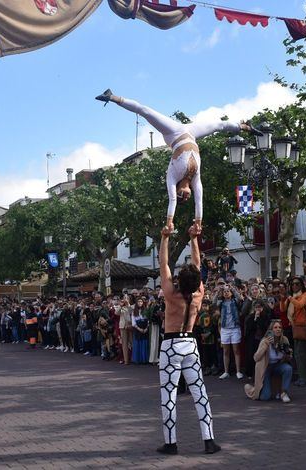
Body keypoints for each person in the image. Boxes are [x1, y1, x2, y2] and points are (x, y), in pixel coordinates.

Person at [97, 90, 259, 233]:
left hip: (174, 133)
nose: (188, 197)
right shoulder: (195, 179)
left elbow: (172, 200)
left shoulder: (173, 176)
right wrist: (198, 223)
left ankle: (112, 97)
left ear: (180, 194)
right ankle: (246, 127)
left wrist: (169, 222)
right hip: (191, 133)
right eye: (188, 198)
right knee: (219, 125)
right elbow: (199, 201)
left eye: (185, 198)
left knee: (145, 111)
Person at [156, 223, 220, 455]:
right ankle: (209, 440)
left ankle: (171, 443)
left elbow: (163, 264)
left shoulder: (171, 295)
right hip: (191, 343)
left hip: (171, 343)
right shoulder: (199, 294)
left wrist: (165, 238)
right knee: (199, 393)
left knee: (169, 395)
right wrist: (194, 239)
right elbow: (197, 264)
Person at [244, 320, 293, 402]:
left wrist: (288, 354)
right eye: (275, 327)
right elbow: (256, 358)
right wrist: (266, 345)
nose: (278, 329)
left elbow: (288, 358)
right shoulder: (265, 341)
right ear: (271, 330)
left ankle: (284, 393)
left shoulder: (284, 340)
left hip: (277, 366)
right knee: (265, 397)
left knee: (288, 368)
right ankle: (252, 389)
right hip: (266, 368)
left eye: (280, 327)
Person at [280, 276, 306, 386]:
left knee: (303, 353)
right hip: (294, 326)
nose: (294, 286)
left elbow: (299, 305)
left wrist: (289, 297)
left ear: (302, 285)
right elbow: (283, 309)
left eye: (297, 284)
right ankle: (302, 376)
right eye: (292, 284)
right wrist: (282, 298)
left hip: (303, 326)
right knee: (297, 353)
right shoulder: (292, 296)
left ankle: (305, 377)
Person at [213, 283, 244, 380]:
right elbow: (213, 302)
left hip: (235, 328)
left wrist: (233, 289)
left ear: (231, 293)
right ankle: (226, 372)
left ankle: (238, 371)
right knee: (225, 351)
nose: (226, 293)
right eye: (224, 292)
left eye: (228, 291)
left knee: (236, 350)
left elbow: (240, 299)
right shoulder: (221, 302)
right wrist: (218, 291)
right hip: (225, 329)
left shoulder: (235, 301)